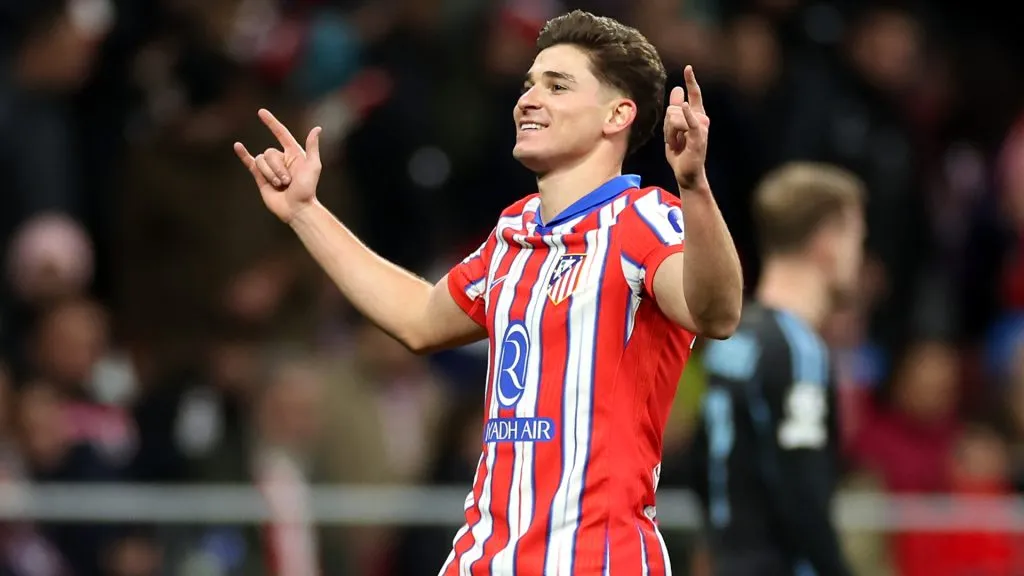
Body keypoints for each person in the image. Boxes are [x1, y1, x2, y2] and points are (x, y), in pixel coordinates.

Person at [233, 9, 742, 575]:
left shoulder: (646, 220)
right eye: (529, 84)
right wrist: (306, 213)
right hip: (483, 559)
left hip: (595, 560)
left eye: (557, 85)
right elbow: (419, 319)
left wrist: (693, 186)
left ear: (617, 114)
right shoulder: (513, 234)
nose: (528, 99)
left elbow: (713, 311)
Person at [688, 162, 864, 576]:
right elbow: (804, 495)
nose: (859, 258)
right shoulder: (797, 350)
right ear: (828, 242)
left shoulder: (734, 340)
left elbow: (701, 460)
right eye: (857, 238)